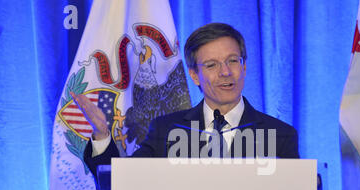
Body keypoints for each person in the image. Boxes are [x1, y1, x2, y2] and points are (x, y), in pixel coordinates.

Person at [72, 22, 299, 178]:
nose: (225, 72)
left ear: (244, 66)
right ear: (193, 75)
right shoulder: (166, 131)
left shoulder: (280, 135)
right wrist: (102, 136)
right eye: (211, 65)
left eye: (232, 61)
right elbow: (122, 184)